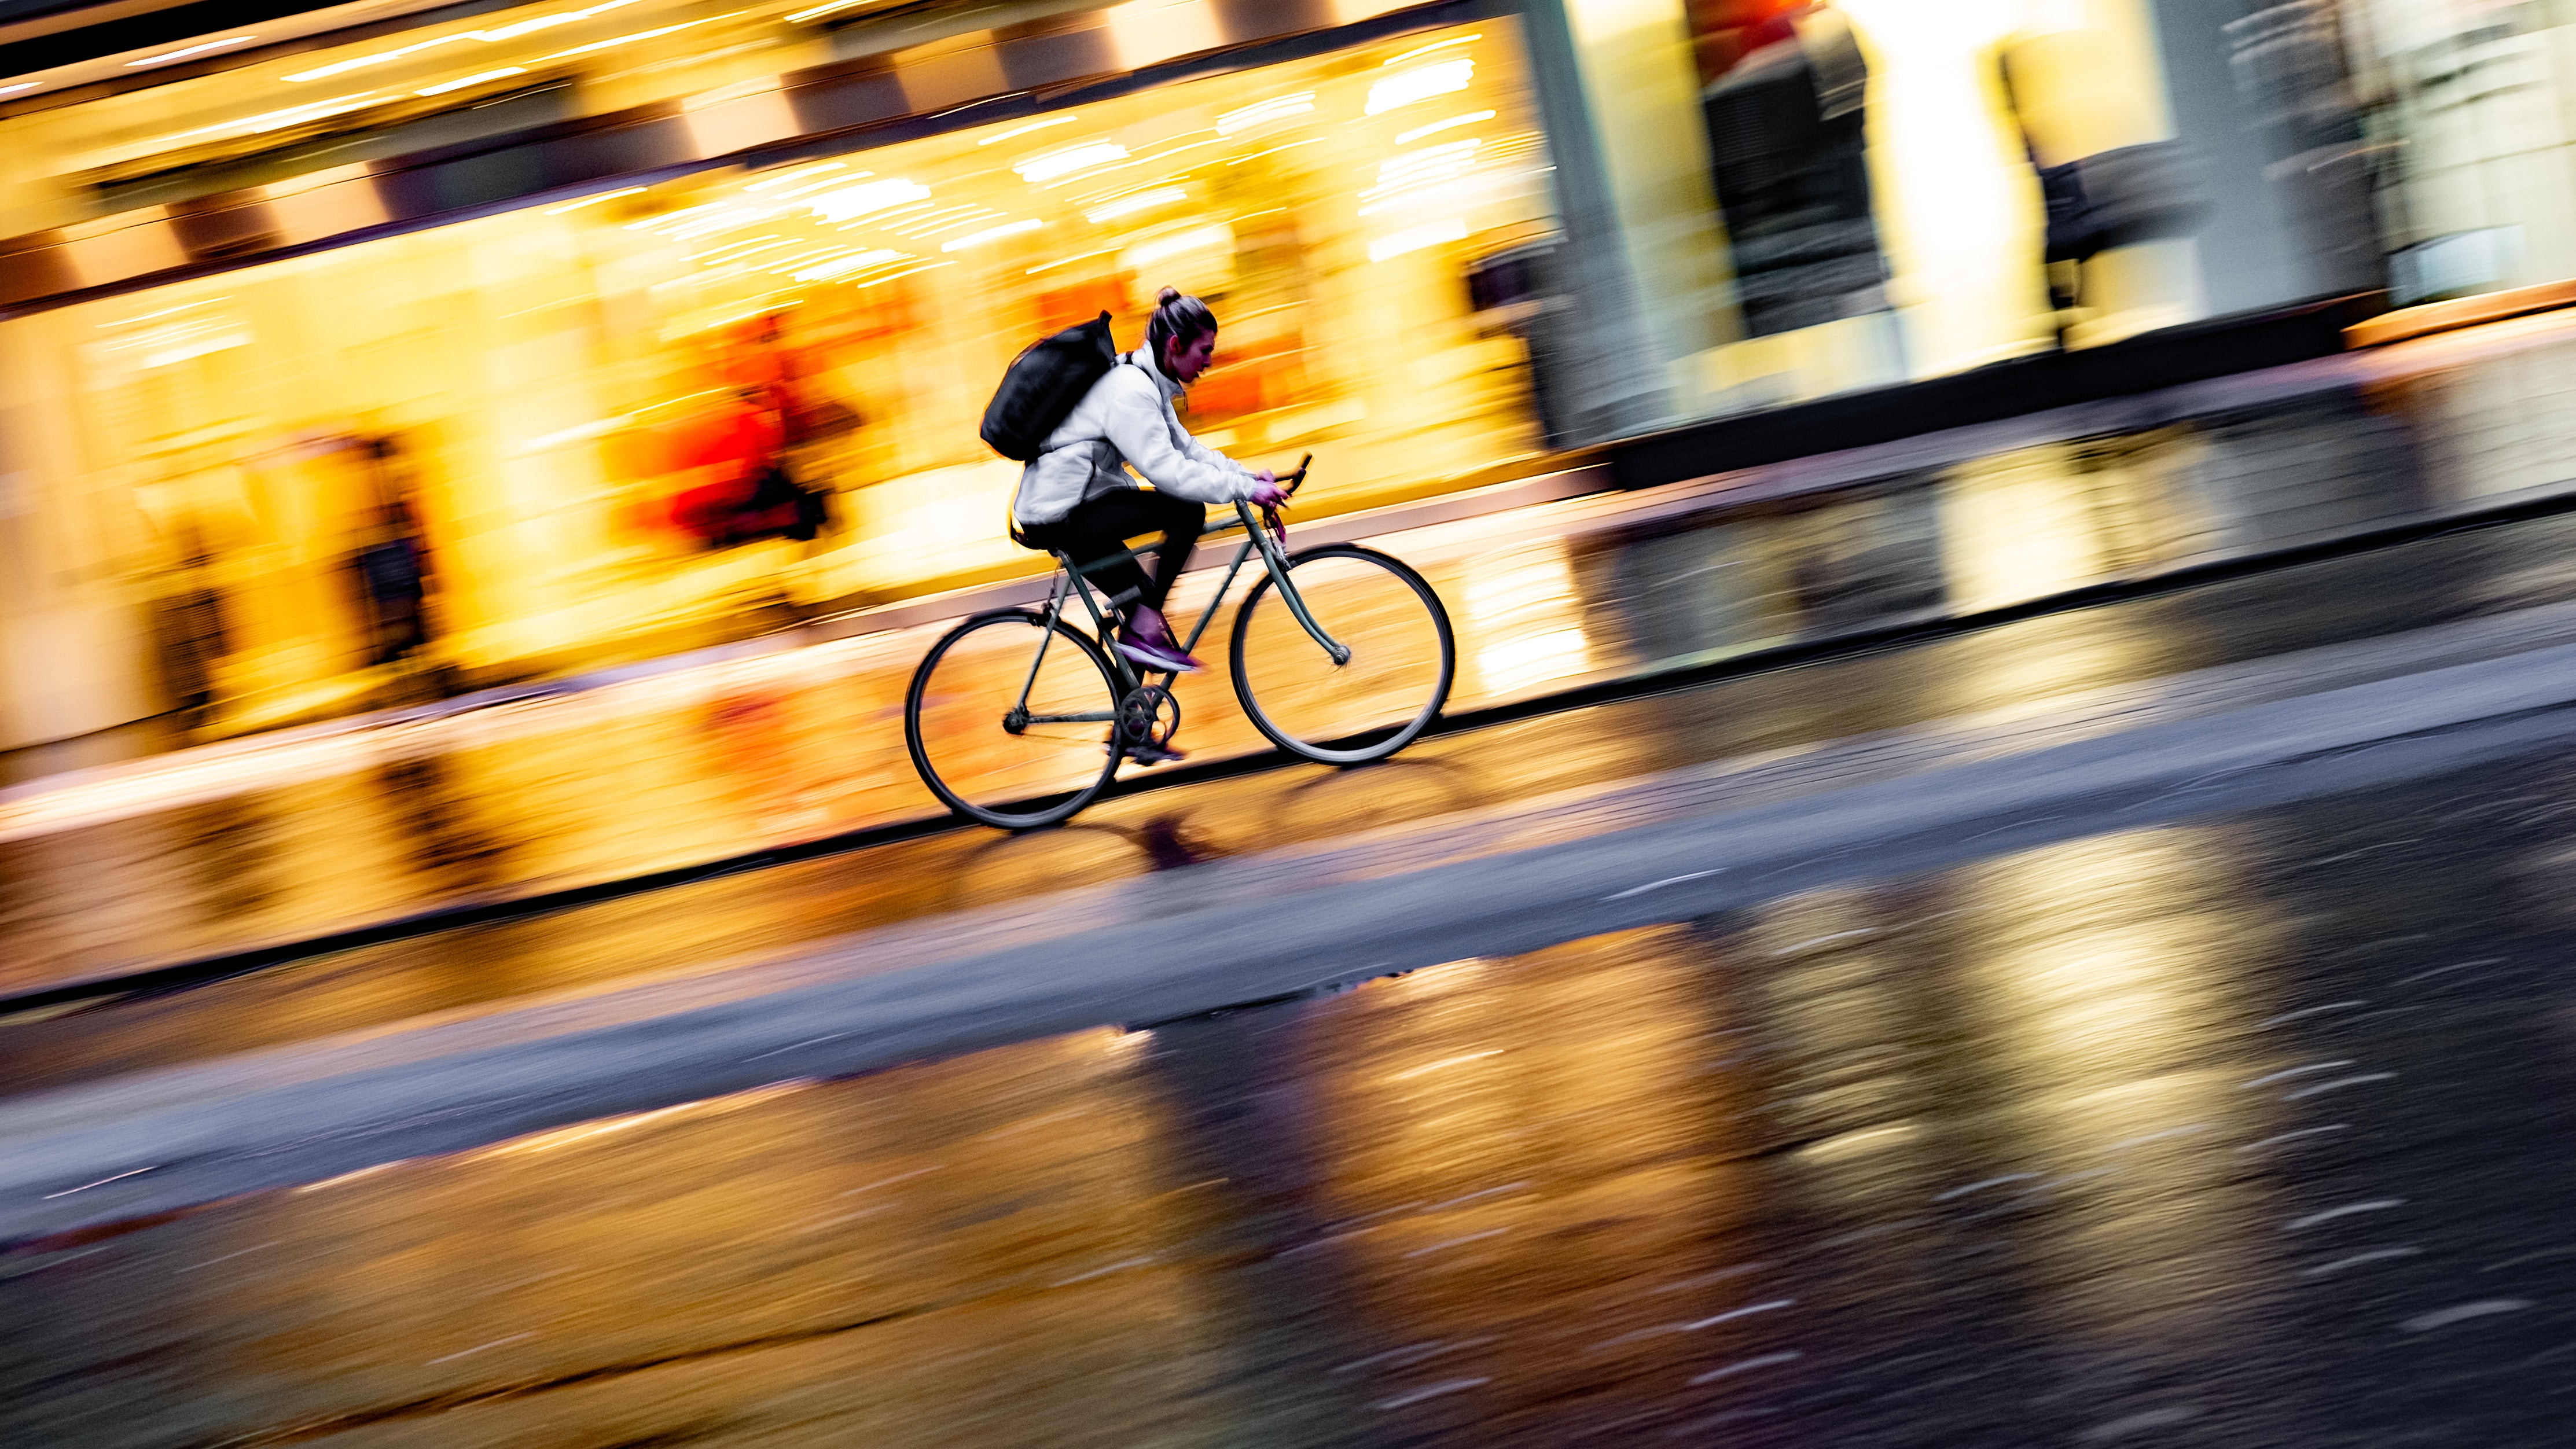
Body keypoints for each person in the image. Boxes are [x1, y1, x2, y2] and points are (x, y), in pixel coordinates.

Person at [1011, 286, 1288, 730]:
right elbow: (1169, 473)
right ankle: (1144, 629)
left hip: (1080, 505)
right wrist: (1243, 490)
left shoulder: (1148, 382)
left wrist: (1248, 480)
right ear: (1175, 346)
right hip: (1060, 515)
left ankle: (1132, 728)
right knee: (1185, 511)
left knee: (1140, 604)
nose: (1210, 360)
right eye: (1205, 350)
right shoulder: (1130, 391)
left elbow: (1188, 450)